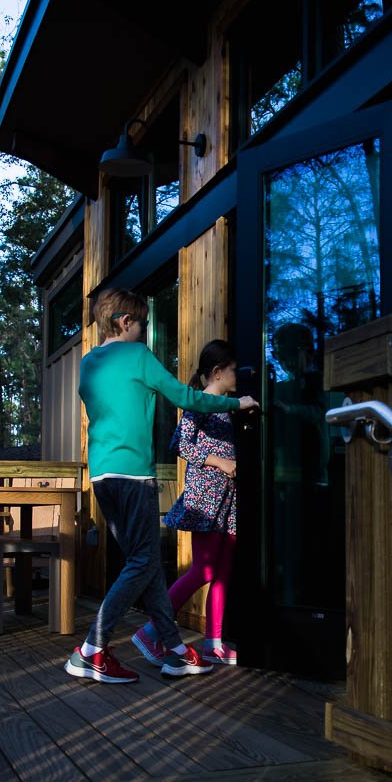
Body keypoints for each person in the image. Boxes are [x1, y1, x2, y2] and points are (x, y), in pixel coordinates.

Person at [66, 289, 258, 683]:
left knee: (148, 561)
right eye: (143, 324)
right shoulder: (137, 356)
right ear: (124, 323)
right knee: (141, 562)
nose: (146, 332)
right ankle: (90, 649)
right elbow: (188, 398)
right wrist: (238, 405)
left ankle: (172, 650)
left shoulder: (88, 364)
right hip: (134, 475)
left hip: (102, 475)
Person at [133, 340, 242, 666]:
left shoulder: (230, 406)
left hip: (229, 500)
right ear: (218, 372)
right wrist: (218, 462)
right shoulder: (200, 404)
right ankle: (151, 630)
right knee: (203, 570)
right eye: (233, 369)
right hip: (206, 498)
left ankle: (214, 644)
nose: (237, 374)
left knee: (222, 573)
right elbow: (179, 443)